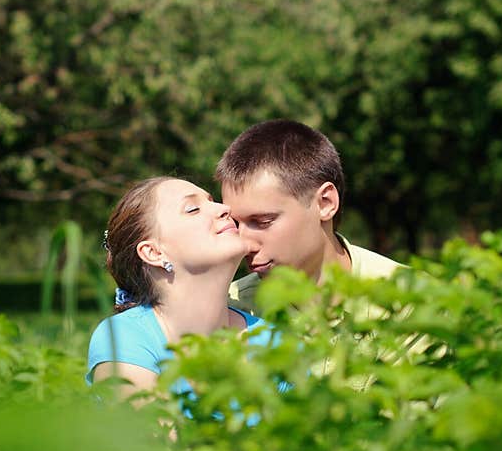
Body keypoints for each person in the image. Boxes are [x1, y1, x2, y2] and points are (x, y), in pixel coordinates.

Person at [87, 176, 274, 401]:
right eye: (193, 209)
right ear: (154, 253)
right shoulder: (122, 340)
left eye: (212, 200)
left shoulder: (273, 341)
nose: (225, 208)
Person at [215, 119, 403, 315]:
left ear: (325, 203)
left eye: (263, 221)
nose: (243, 244)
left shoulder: (409, 301)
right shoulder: (228, 309)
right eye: (235, 224)